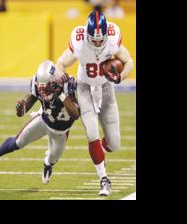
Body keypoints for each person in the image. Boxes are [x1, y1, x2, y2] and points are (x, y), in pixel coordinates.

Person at [56, 10, 133, 196]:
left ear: (107, 34)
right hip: (84, 87)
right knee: (92, 133)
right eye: (94, 40)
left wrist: (120, 77)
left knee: (114, 144)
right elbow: (60, 63)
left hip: (106, 88)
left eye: (101, 40)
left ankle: (99, 151)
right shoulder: (80, 41)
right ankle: (104, 179)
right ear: (87, 35)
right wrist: (61, 77)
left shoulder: (113, 38)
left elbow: (129, 61)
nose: (98, 43)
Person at [0, 60, 79, 184]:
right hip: (44, 121)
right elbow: (26, 105)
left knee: (54, 158)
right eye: (41, 88)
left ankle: (47, 163)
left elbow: (75, 114)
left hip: (61, 131)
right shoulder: (37, 85)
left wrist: (61, 94)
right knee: (18, 141)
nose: (43, 92)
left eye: (46, 88)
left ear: (54, 81)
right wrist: (21, 108)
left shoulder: (68, 84)